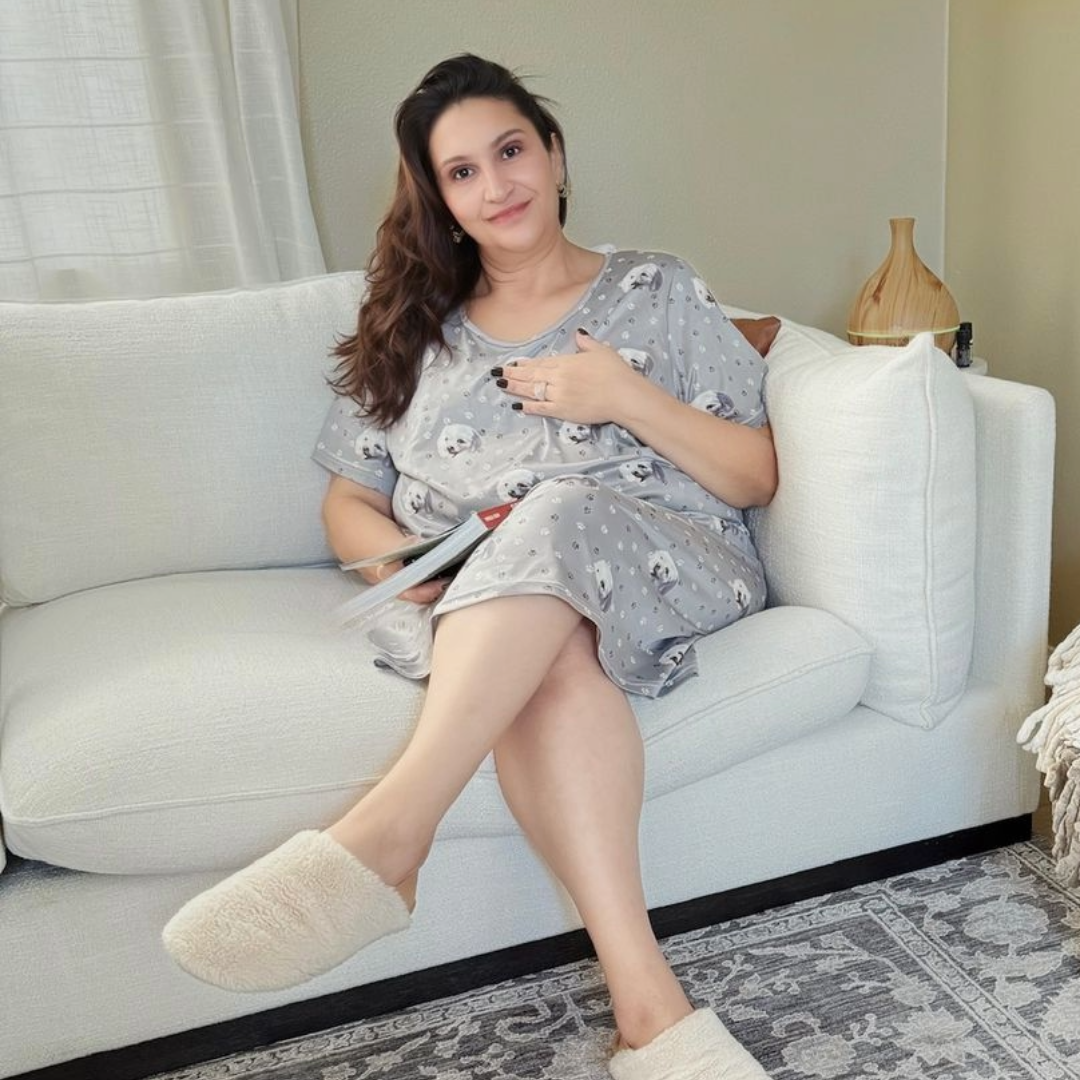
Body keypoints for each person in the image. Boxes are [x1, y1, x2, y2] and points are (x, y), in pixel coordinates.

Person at [163, 54, 778, 1080]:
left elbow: (753, 474)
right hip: (502, 598)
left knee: (557, 508)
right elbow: (347, 501)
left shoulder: (654, 287)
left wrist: (620, 395)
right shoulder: (416, 331)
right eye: (462, 172)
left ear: (554, 155)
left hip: (671, 555)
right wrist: (423, 577)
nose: (496, 185)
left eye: (510, 150)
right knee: (555, 667)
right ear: (440, 201)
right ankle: (652, 1014)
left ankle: (390, 838)